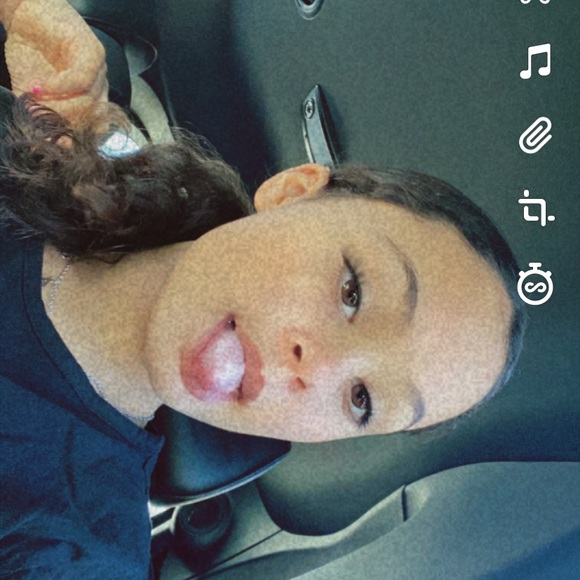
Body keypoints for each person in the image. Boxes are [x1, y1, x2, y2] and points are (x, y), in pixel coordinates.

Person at [0, 0, 525, 575]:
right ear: (292, 192)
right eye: (353, 292)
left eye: (362, 399)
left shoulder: (66, 552)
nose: (318, 366)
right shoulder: (35, 134)